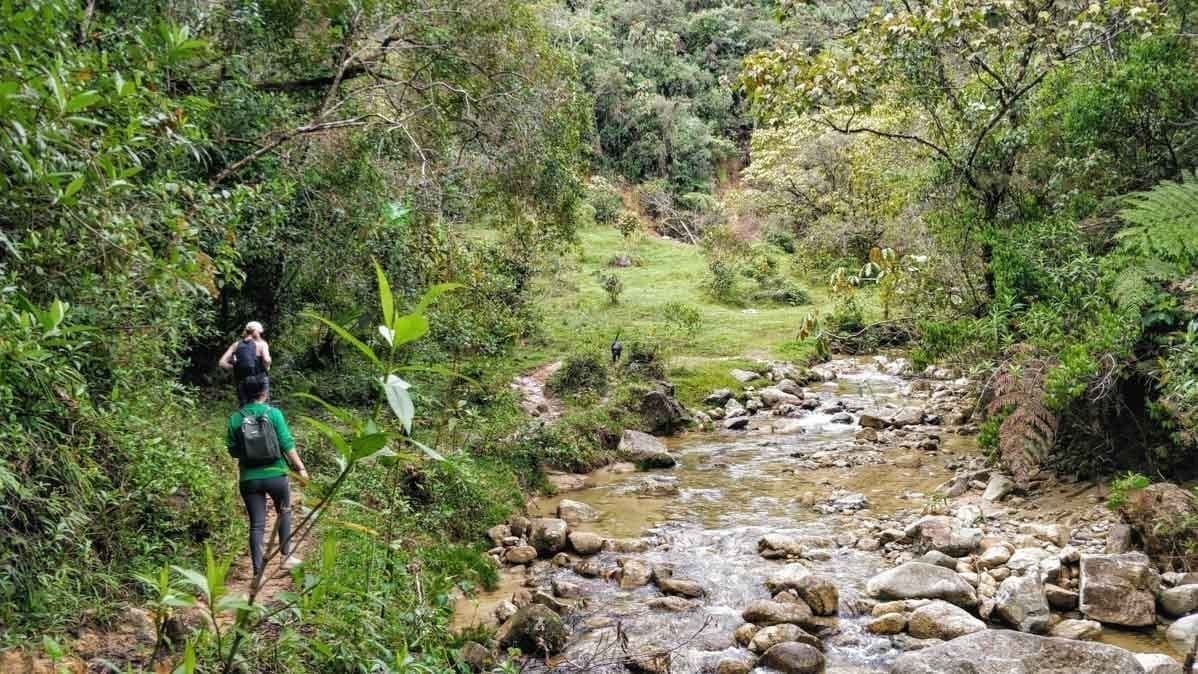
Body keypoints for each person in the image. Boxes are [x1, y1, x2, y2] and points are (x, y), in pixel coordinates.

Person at [226, 376, 308, 576]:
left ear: (244, 393)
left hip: (249, 478)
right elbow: (286, 443)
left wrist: (249, 453)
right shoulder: (274, 414)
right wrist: (300, 468)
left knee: (257, 524)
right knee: (284, 513)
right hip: (276, 474)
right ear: (265, 391)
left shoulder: (235, 418)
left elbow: (232, 450)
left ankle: (257, 570)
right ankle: (285, 558)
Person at [219, 321, 272, 405]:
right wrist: (267, 366)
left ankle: (246, 418)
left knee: (245, 408)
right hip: (260, 379)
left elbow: (222, 363)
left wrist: (236, 368)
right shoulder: (262, 344)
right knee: (262, 408)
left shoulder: (236, 345)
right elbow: (266, 360)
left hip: (242, 381)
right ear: (257, 331)